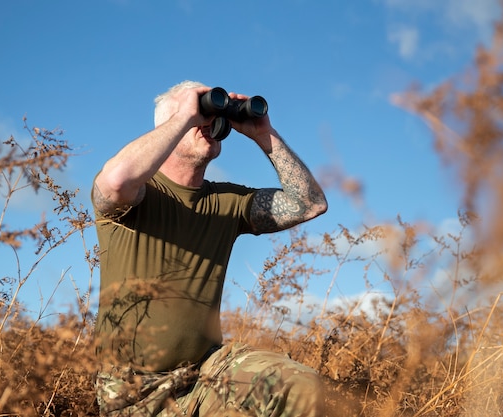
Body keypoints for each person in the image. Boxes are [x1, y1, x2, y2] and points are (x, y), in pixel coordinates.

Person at [91, 80, 328, 416]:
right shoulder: (139, 195)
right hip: (135, 391)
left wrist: (264, 133)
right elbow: (115, 182)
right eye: (199, 114)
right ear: (168, 129)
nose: (206, 123)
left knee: (297, 383)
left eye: (208, 115)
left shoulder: (228, 201)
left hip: (206, 373)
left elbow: (310, 204)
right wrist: (185, 115)